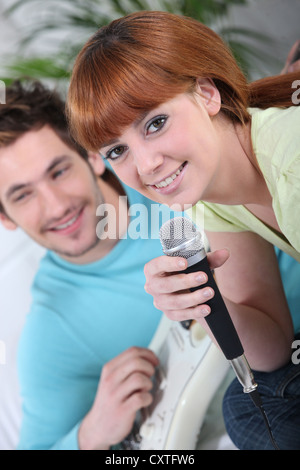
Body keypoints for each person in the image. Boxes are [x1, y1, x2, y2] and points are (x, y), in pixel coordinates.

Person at [66, 11, 300, 449]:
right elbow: (273, 350)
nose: (146, 165)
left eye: (155, 123)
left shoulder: (291, 160)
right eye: (118, 150)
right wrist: (202, 298)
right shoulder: (213, 198)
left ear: (207, 94)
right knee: (248, 407)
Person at [0, 79, 185, 450]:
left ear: (91, 156)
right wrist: (91, 436)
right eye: (22, 195)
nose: (56, 206)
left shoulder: (164, 169)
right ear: (5, 218)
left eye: (58, 172)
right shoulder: (53, 332)